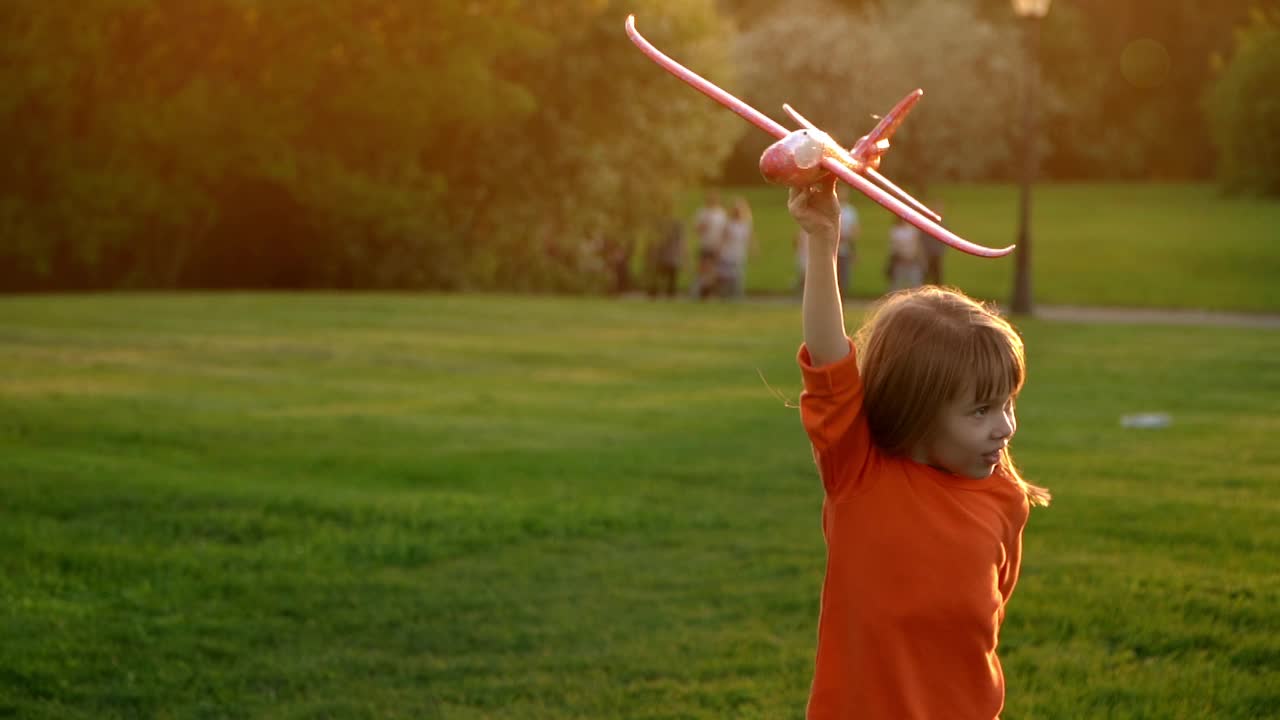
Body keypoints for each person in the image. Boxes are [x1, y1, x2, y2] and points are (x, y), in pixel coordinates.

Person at [786, 175, 1051, 720]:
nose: (1005, 428)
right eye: (980, 411)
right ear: (917, 408)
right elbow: (831, 369)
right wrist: (822, 238)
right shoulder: (859, 474)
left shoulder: (1006, 499)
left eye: (1008, 403)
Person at [691, 190, 727, 300]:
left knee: (713, 271)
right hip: (705, 244)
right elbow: (697, 229)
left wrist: (721, 245)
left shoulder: (721, 214)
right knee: (703, 269)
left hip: (716, 245)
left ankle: (710, 292)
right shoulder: (702, 212)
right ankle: (699, 292)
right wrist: (704, 225)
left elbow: (724, 231)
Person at [716, 197, 753, 299]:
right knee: (726, 275)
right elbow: (722, 239)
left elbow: (748, 238)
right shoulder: (728, 224)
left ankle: (737, 295)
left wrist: (752, 250)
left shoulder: (745, 224)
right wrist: (719, 252)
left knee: (738, 275)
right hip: (728, 254)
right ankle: (724, 295)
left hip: (739, 254)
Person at [648, 217, 684, 299]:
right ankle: (654, 291)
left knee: (671, 275)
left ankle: (670, 293)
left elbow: (680, 241)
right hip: (663, 255)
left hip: (671, 254)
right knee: (659, 274)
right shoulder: (659, 225)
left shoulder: (676, 225)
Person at [886, 217, 924, 291]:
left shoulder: (913, 230)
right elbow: (894, 248)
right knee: (896, 286)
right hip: (900, 261)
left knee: (916, 285)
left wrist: (920, 258)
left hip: (913, 261)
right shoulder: (895, 231)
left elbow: (918, 245)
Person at [836, 188, 860, 296]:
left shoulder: (851, 211)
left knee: (844, 278)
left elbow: (855, 230)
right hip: (832, 249)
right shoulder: (833, 208)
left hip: (845, 249)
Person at [922, 199, 947, 285]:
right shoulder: (927, 225)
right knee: (925, 276)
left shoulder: (942, 225)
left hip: (936, 255)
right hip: (928, 254)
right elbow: (923, 239)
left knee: (937, 277)